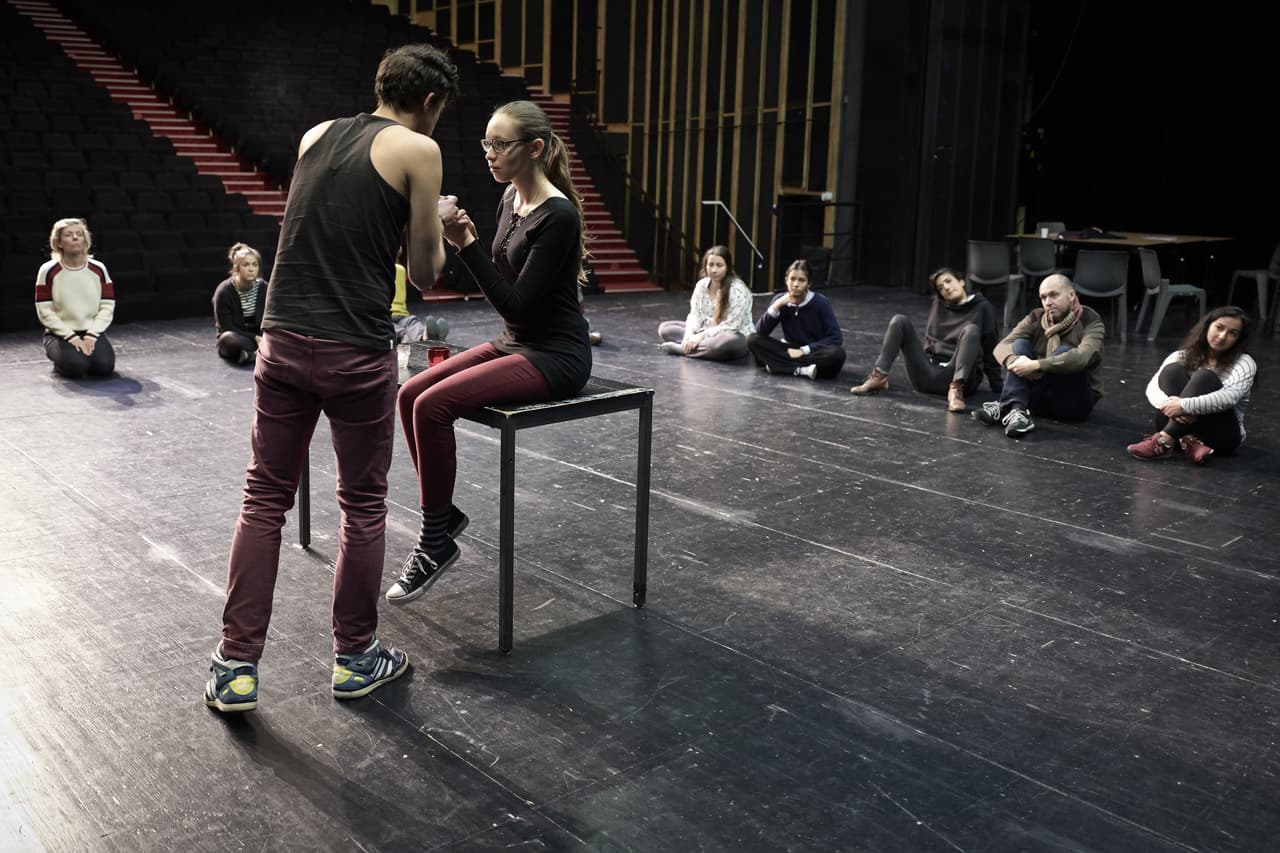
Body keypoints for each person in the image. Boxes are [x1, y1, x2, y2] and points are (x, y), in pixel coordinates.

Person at [204, 44, 460, 713]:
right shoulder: (419, 149)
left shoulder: (316, 134)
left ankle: (234, 668)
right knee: (363, 505)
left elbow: (329, 227)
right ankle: (354, 657)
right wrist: (435, 220)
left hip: (283, 340)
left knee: (263, 500)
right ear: (430, 102)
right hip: (354, 349)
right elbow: (426, 272)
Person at [387, 99, 591, 604]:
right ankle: (446, 516)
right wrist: (469, 241)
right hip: (515, 342)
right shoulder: (508, 201)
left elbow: (519, 305)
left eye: (499, 145)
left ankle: (434, 540)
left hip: (556, 354)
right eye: (486, 143)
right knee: (410, 393)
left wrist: (465, 244)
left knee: (434, 407)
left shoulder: (558, 216)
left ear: (536, 148)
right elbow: (510, 294)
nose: (489, 154)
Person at [849, 266, 1001, 410]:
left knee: (971, 330)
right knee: (899, 320)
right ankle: (879, 377)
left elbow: (990, 348)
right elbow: (929, 343)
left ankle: (956, 391)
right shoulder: (940, 305)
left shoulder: (982, 307)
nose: (946, 288)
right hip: (927, 374)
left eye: (948, 281)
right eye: (940, 288)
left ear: (961, 281)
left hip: (957, 376)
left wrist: (998, 386)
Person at [972, 273, 1104, 436]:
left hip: (1074, 403)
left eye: (1054, 295)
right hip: (1041, 398)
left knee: (1064, 352)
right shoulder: (1037, 316)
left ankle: (1006, 405)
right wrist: (1019, 363)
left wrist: (1036, 366)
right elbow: (1002, 346)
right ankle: (1019, 412)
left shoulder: (1091, 320)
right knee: (1019, 345)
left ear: (1071, 295)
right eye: (1043, 297)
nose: (1048, 302)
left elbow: (1081, 358)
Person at [1127, 306, 1257, 463]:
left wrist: (1183, 405)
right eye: (1219, 327)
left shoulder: (1244, 362)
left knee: (1205, 378)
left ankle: (1163, 441)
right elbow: (1153, 388)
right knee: (1171, 371)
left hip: (1221, 435)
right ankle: (1188, 441)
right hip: (1175, 421)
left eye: (1232, 333)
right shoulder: (1183, 355)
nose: (1222, 336)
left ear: (1238, 339)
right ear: (1208, 326)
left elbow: (1229, 398)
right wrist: (1170, 405)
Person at [34, 218, 116, 378]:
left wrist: (92, 334)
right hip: (59, 334)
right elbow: (45, 310)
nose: (75, 237)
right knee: (77, 367)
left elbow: (107, 305)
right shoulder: (48, 270)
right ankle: (60, 359)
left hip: (90, 331)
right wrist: (71, 337)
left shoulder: (98, 268)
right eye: (69, 235)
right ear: (59, 243)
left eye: (79, 234)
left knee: (104, 367)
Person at [747, 259, 845, 380]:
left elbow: (835, 338)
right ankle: (802, 370)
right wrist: (776, 306)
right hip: (789, 350)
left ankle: (779, 366)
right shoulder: (780, 300)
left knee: (837, 354)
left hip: (813, 351)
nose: (795, 284)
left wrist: (804, 350)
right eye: (792, 279)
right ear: (786, 280)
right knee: (752, 340)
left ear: (809, 284)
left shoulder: (821, 303)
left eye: (801, 280)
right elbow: (759, 333)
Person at [657, 245, 752, 360]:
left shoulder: (737, 290)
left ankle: (684, 349)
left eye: (719, 265)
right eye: (710, 265)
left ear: (728, 267)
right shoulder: (702, 285)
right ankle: (692, 345)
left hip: (733, 336)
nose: (714, 270)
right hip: (706, 331)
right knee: (665, 328)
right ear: (705, 266)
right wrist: (689, 335)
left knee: (723, 345)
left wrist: (701, 336)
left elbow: (732, 326)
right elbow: (695, 315)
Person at [212, 242, 267, 364]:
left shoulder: (263, 287)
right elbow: (226, 327)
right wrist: (255, 338)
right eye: (246, 265)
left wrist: (263, 336)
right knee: (228, 339)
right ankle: (260, 353)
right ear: (236, 268)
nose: (251, 269)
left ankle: (253, 355)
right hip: (239, 336)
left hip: (259, 335)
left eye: (255, 264)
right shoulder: (224, 291)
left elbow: (270, 316)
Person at [391, 260, 427, 343]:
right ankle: (421, 335)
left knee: (393, 328)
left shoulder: (377, 270)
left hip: (385, 314)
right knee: (411, 323)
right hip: (401, 313)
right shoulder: (401, 269)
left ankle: (406, 340)